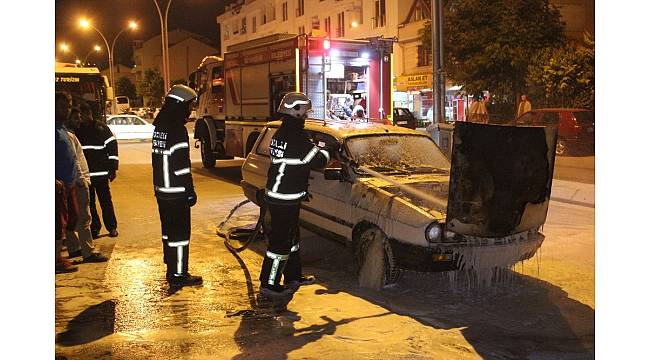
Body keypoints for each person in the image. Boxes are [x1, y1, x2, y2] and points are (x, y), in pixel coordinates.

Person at [259, 92, 334, 305]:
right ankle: (269, 285)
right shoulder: (295, 136)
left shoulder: (282, 133)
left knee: (291, 240)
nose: (306, 115)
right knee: (279, 244)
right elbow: (318, 160)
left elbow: (293, 164)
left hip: (282, 194)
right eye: (305, 112)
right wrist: (330, 149)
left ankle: (292, 276)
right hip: (284, 198)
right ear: (296, 110)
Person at [152, 85, 202, 287]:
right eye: (189, 106)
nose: (190, 110)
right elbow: (182, 167)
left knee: (168, 232)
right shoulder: (177, 130)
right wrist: (189, 191)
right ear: (180, 105)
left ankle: (170, 264)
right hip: (176, 193)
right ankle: (179, 274)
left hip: (162, 190)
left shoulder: (160, 127)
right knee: (180, 235)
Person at [63, 105, 109, 263]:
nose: (78, 120)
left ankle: (74, 247)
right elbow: (74, 161)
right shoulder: (68, 136)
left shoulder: (67, 134)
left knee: (73, 218)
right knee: (84, 218)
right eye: (75, 118)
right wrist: (81, 180)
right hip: (79, 182)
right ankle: (88, 251)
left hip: (74, 181)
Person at [76, 102, 119, 239]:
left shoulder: (101, 128)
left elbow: (112, 147)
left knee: (105, 201)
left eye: (82, 115)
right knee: (90, 204)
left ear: (89, 114)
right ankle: (95, 228)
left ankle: (112, 227)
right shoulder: (78, 129)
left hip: (100, 174)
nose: (80, 118)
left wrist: (113, 168)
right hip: (86, 175)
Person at [55, 92, 79, 274]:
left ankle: (59, 256)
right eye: (64, 106)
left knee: (71, 220)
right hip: (58, 186)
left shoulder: (62, 128)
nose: (67, 110)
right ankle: (55, 260)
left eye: (69, 106)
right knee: (57, 224)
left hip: (69, 184)